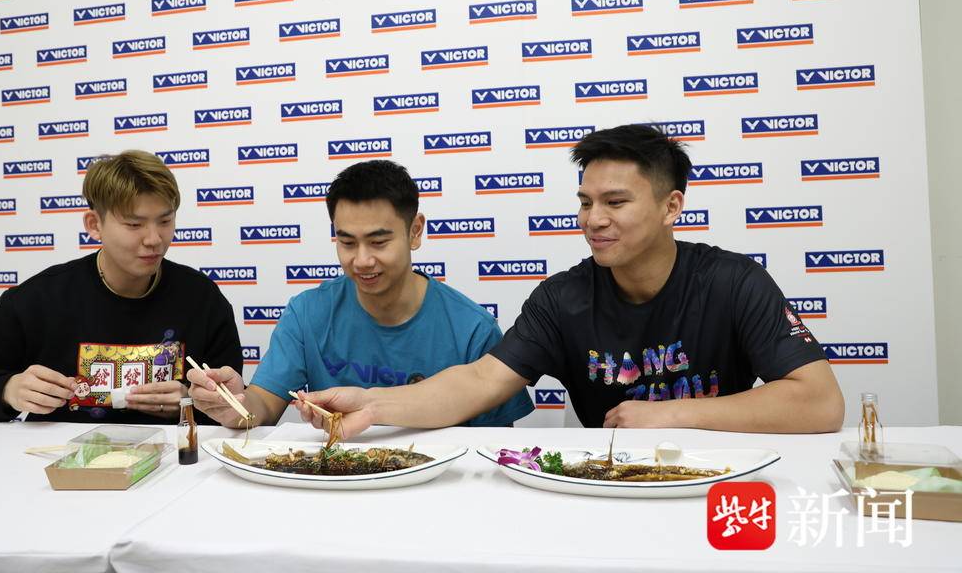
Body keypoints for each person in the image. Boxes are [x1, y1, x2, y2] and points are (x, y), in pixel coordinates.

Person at [295, 124, 845, 437]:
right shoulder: (562, 299)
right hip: (612, 485)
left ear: (671, 206)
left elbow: (820, 403)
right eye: (585, 202)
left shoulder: (733, 281)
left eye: (615, 202)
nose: (593, 219)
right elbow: (479, 381)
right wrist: (372, 405)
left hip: (721, 483)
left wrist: (671, 415)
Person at [187, 160, 533, 428]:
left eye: (379, 242)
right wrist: (234, 406)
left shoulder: (472, 328)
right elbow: (261, 405)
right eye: (347, 242)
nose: (362, 260)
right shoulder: (308, 313)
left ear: (415, 232)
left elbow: (494, 445)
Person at [0, 150, 245, 423]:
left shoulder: (202, 300)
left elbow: (235, 411)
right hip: (58, 465)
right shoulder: (40, 299)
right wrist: (7, 390)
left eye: (165, 221)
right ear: (94, 225)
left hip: (173, 464)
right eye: (134, 224)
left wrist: (191, 404)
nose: (154, 239)